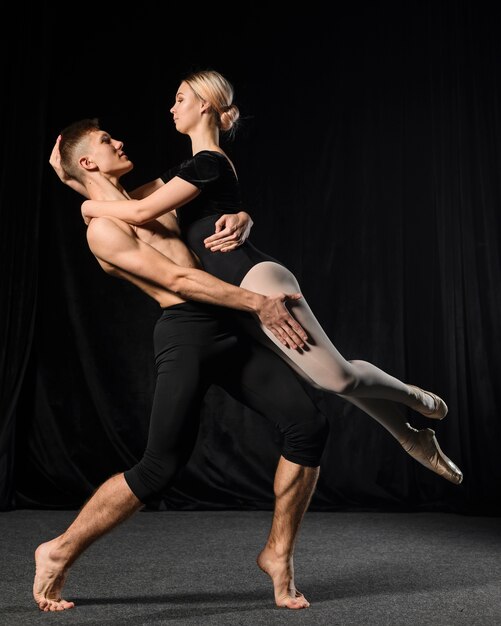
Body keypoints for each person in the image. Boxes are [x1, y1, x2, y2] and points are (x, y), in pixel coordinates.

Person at [80, 69, 464, 487]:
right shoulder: (187, 170)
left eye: (180, 98)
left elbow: (135, 212)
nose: (172, 108)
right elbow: (117, 197)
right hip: (236, 295)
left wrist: (87, 210)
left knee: (334, 376)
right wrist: (72, 178)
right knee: (329, 374)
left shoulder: (207, 163)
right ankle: (411, 436)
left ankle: (416, 399)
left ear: (204, 104)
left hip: (256, 278)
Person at [34, 118, 335, 612]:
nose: (120, 141)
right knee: (158, 470)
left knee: (309, 424)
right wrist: (257, 303)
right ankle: (59, 549)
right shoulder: (103, 232)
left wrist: (242, 216)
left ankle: (277, 554)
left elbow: (213, 194)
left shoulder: (148, 194)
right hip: (188, 334)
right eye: (107, 141)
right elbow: (180, 278)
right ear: (88, 161)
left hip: (227, 325)